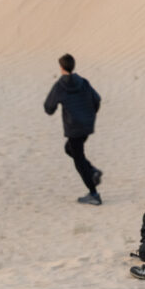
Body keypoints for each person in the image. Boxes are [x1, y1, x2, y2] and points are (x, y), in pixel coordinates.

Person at [44, 53, 103, 206]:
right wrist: (89, 115)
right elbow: (97, 99)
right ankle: (92, 171)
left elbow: (49, 108)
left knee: (78, 160)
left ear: (61, 67)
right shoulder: (83, 82)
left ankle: (94, 194)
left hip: (74, 128)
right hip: (86, 125)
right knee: (69, 149)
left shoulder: (60, 86)